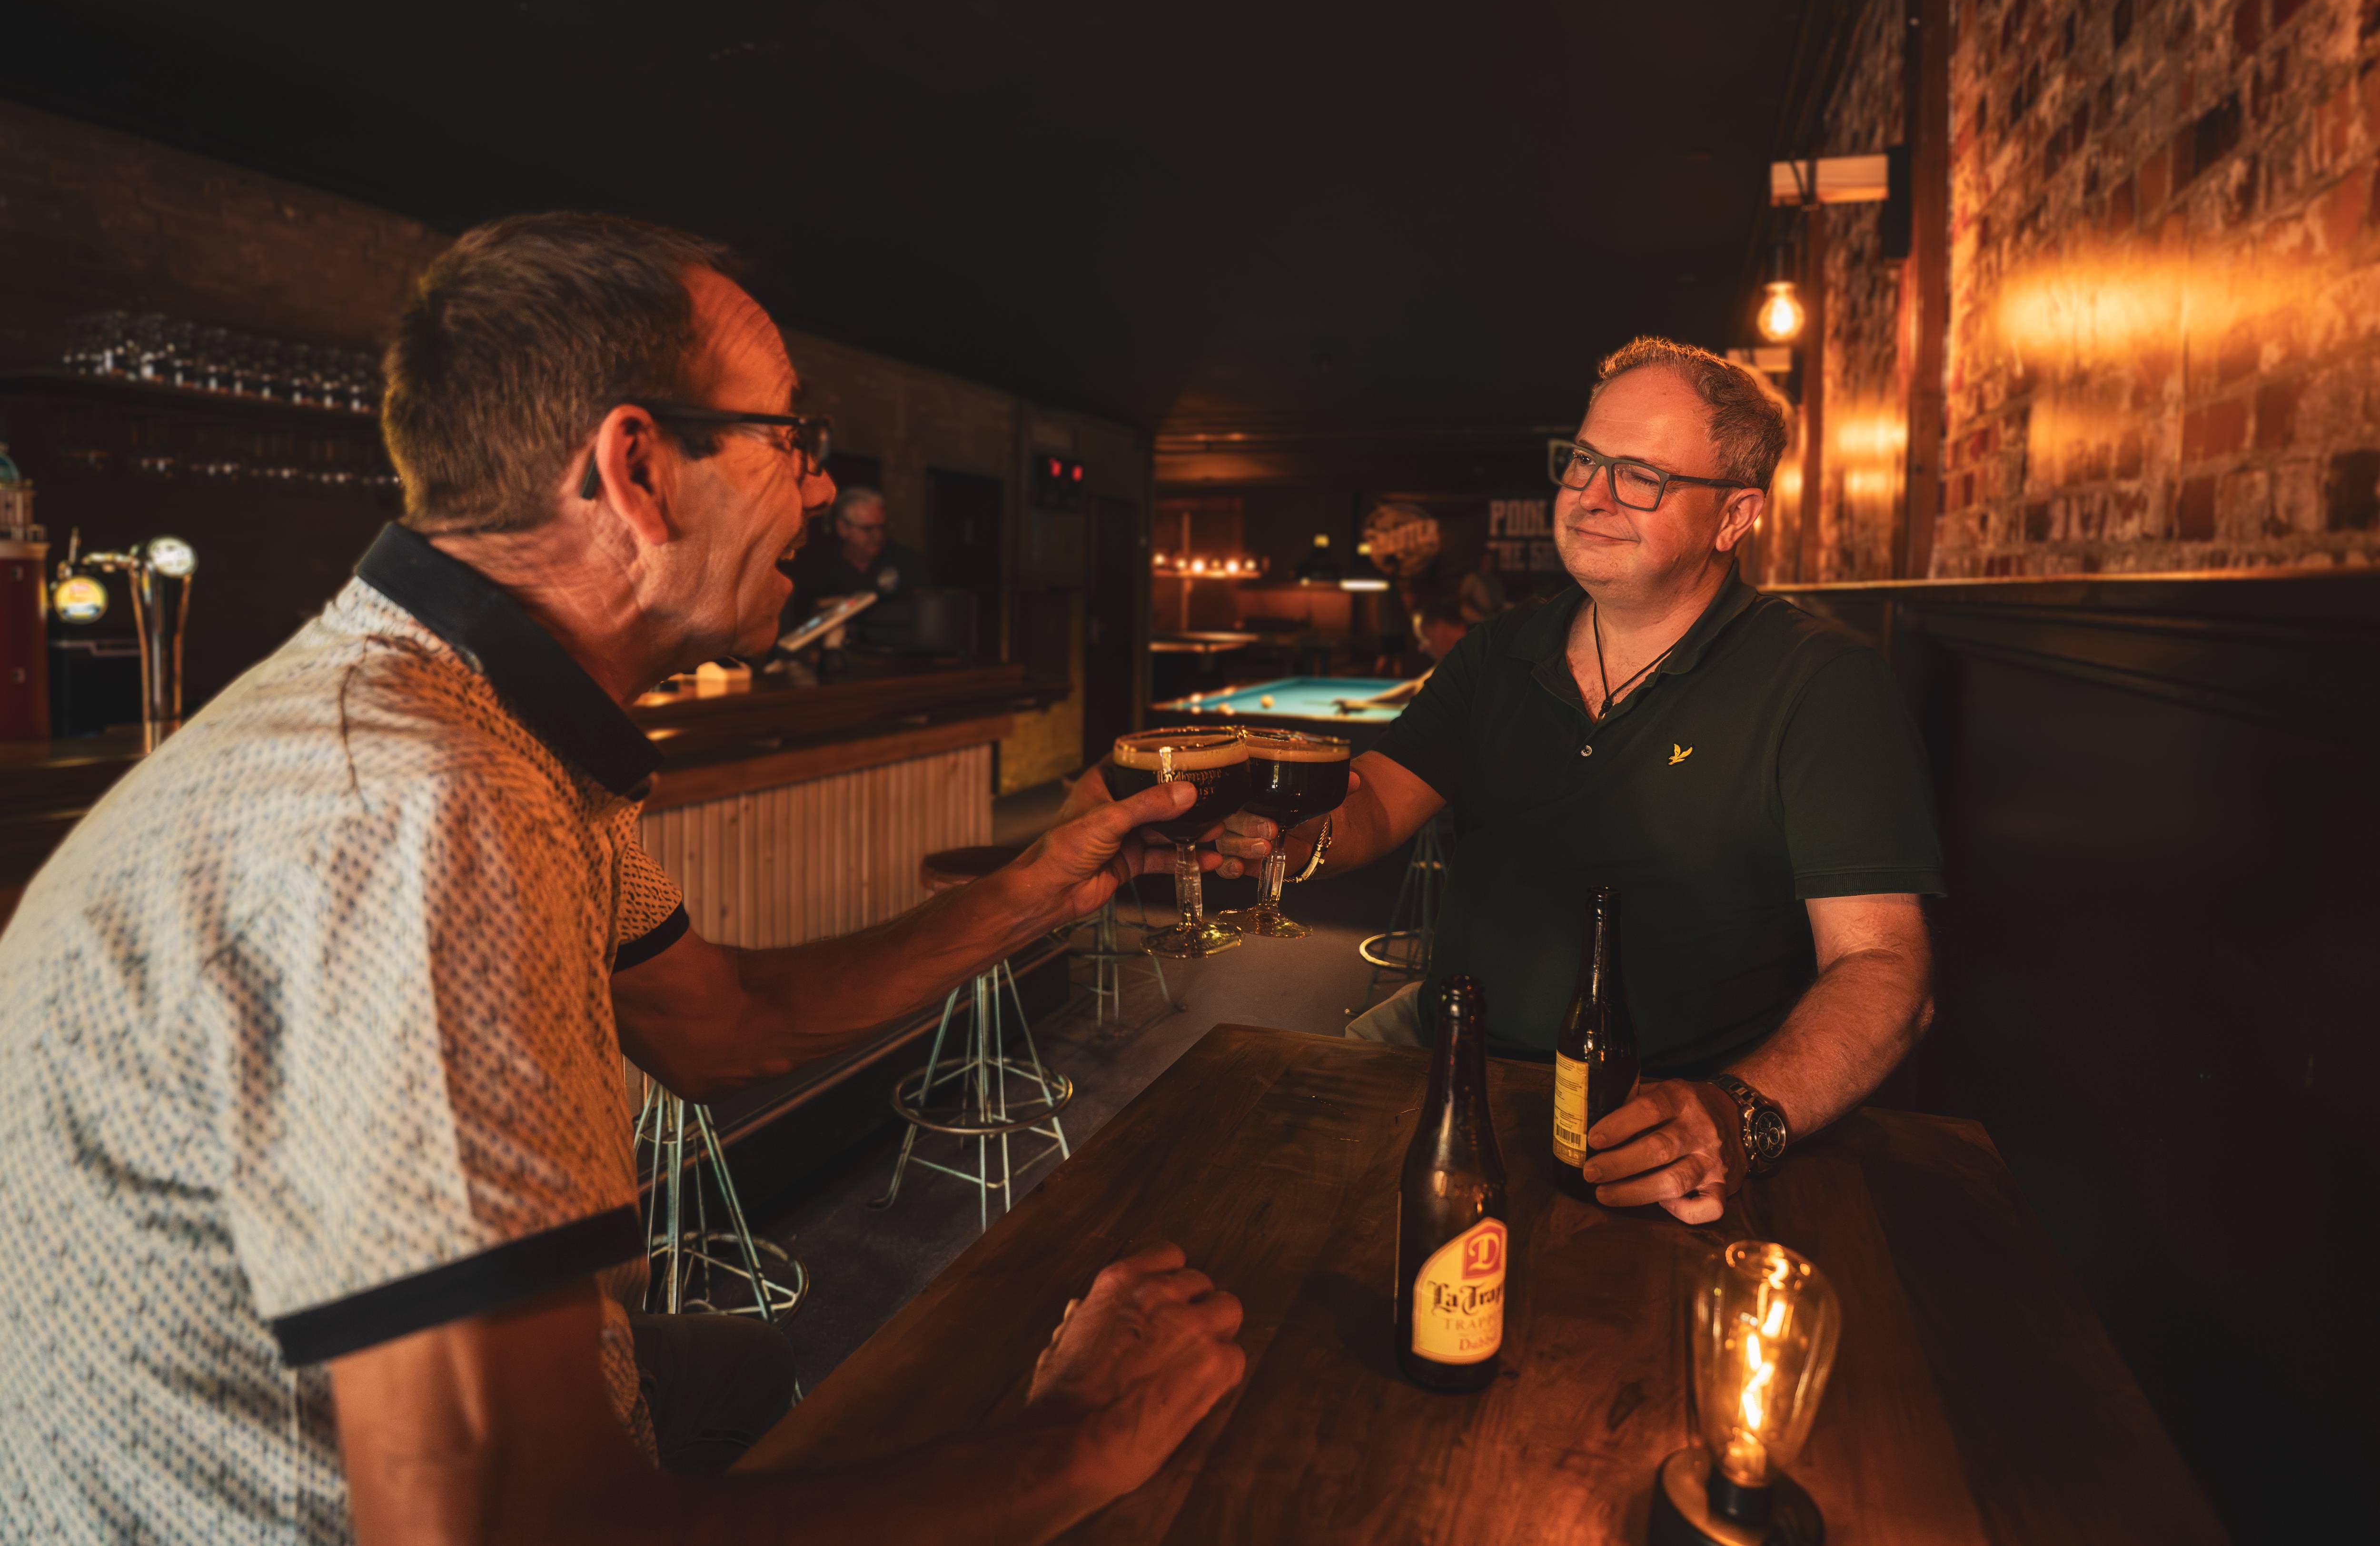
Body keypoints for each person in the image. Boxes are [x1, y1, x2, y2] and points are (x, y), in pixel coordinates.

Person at [0, 214, 1242, 1543]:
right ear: (638, 469)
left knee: (744, 1365)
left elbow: (720, 1024)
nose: (822, 494)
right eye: (794, 440)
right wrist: (1077, 1441)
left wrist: (1039, 882)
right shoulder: (421, 811)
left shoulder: (475, 725)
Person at [1215, 336, 1943, 1229]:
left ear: (1735, 515)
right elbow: (1373, 801)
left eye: (1640, 475)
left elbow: (1884, 969)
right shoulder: (1499, 652)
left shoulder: (1820, 681)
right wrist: (1285, 834)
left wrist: (1735, 1110)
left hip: (1661, 1112)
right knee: (1244, 1186)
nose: (1591, 497)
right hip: (1449, 1053)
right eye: (1586, 461)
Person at [785, 485, 928, 650]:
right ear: (842, 528)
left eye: (882, 527)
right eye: (868, 529)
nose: (878, 536)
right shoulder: (819, 567)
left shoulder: (906, 561)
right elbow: (801, 624)